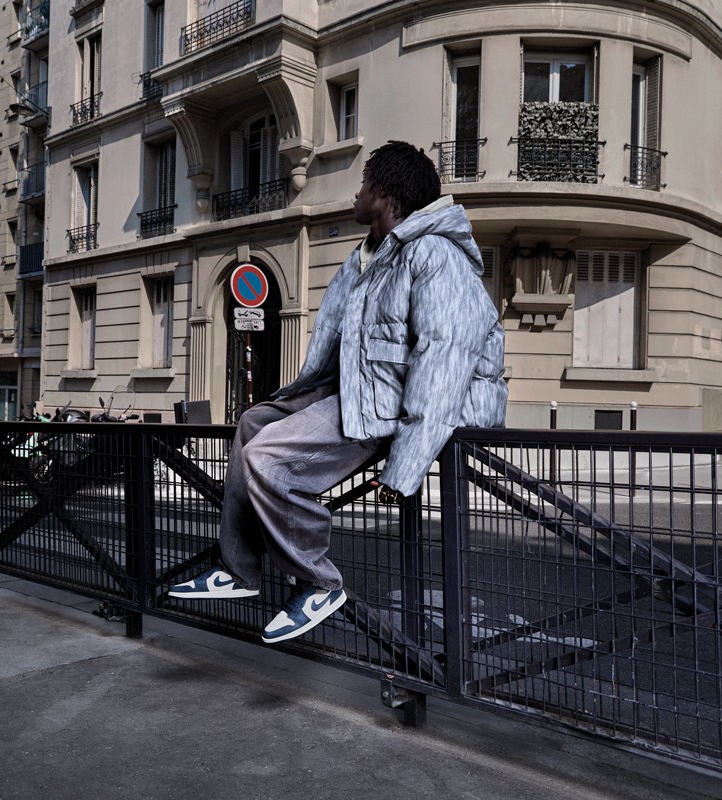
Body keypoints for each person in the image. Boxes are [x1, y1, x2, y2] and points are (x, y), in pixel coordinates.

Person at [169, 141, 507, 644]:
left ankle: (318, 582)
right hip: (361, 391)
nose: (356, 192)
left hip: (393, 407)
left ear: (385, 195)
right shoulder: (368, 257)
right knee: (253, 424)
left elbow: (444, 363)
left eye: (365, 183)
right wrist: (296, 399)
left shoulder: (435, 254)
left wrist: (405, 466)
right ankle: (238, 569)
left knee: (267, 458)